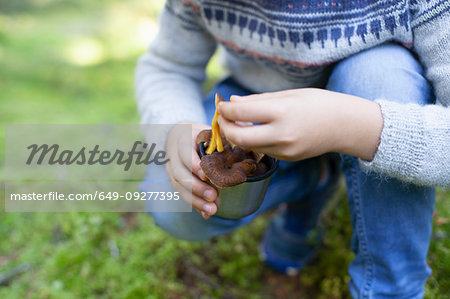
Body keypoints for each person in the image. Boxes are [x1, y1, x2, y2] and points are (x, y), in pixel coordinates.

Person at [135, 0, 450, 297]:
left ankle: (390, 287)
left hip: (372, 112)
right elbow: (168, 67)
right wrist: (174, 125)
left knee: (382, 75)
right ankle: (316, 175)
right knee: (171, 197)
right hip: (256, 96)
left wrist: (354, 129)